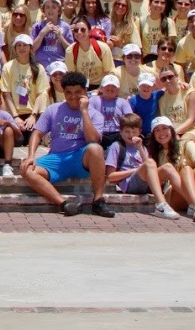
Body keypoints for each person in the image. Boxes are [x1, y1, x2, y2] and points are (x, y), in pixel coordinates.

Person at [21, 70, 111, 217]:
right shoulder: (53, 109)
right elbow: (37, 133)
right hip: (57, 158)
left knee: (96, 149)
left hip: (80, 159)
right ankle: (64, 204)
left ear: (85, 91)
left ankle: (99, 200)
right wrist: (31, 155)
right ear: (63, 92)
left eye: (78, 92)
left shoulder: (95, 114)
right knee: (27, 170)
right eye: (69, 92)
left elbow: (93, 140)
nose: (73, 96)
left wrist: (84, 111)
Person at [103, 111, 182, 219]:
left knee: (168, 167)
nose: (131, 135)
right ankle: (161, 205)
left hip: (146, 181)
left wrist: (140, 147)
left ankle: (194, 203)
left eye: (134, 132)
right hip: (130, 184)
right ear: (120, 132)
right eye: (127, 132)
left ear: (140, 132)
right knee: (150, 163)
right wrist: (134, 170)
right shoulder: (116, 147)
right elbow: (110, 177)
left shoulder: (143, 147)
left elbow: (149, 166)